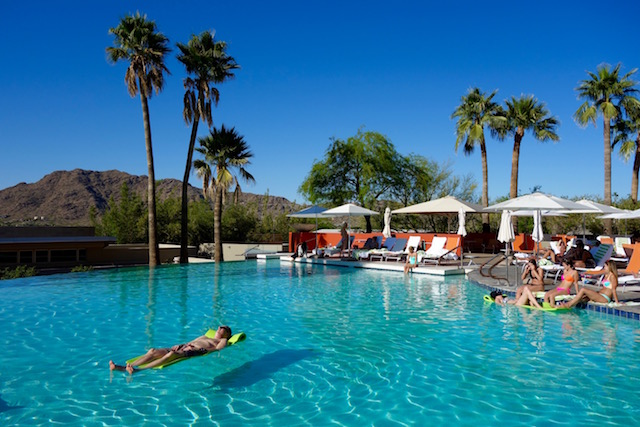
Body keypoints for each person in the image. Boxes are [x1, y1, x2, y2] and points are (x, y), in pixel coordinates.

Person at [109, 326, 232, 375]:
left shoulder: (221, 341)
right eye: (220, 326)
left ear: (226, 334)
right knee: (153, 351)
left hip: (197, 351)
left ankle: (138, 370)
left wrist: (204, 348)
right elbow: (190, 341)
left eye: (224, 328)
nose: (220, 327)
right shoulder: (206, 336)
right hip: (185, 347)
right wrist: (180, 345)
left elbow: (218, 349)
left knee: (172, 355)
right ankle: (124, 367)